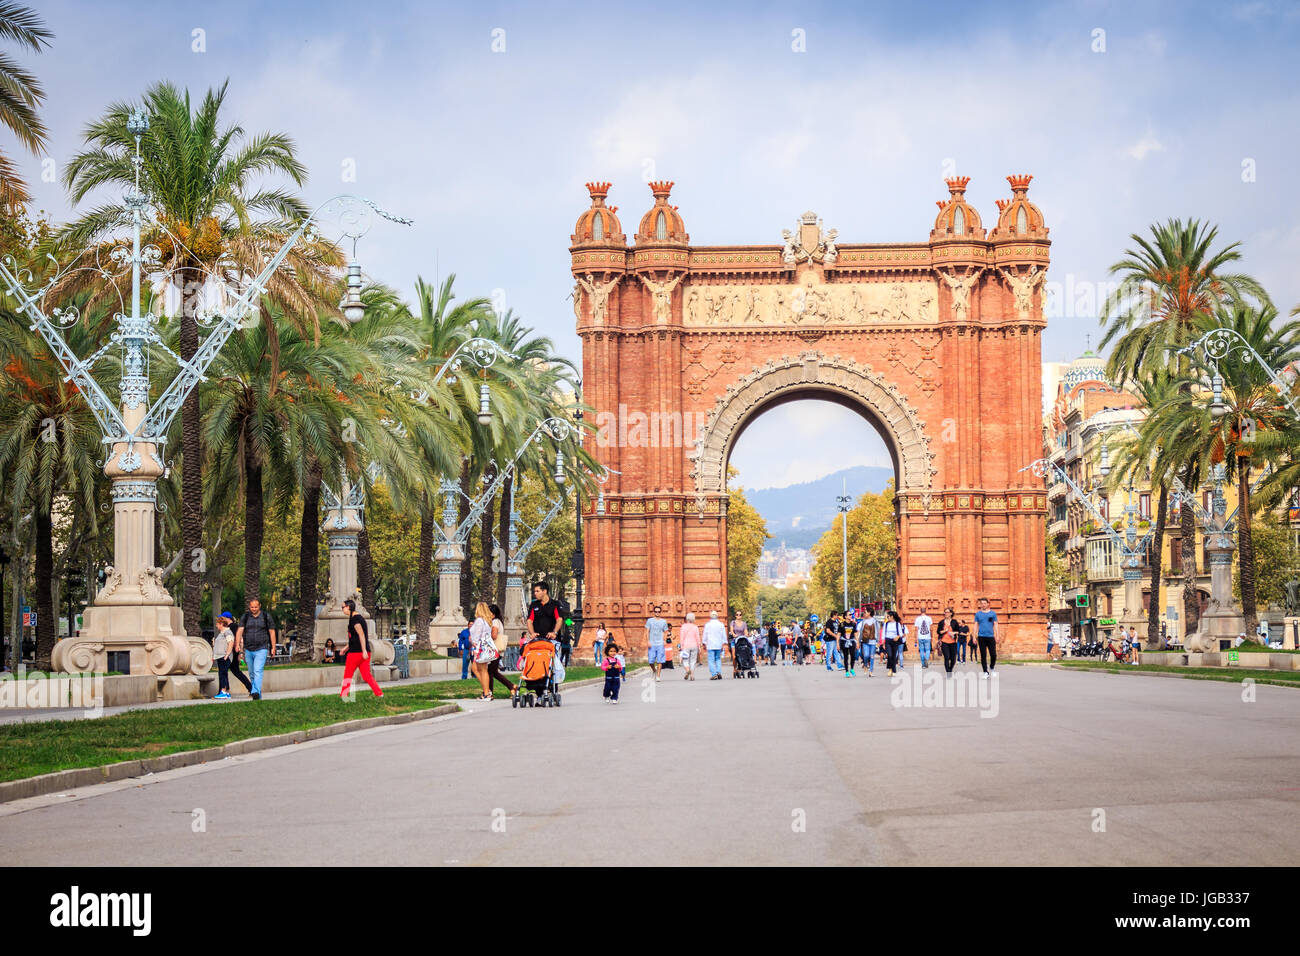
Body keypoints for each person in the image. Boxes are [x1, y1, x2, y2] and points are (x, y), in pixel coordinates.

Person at [338, 598, 385, 700]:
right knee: (366, 675)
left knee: (348, 674)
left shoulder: (355, 619)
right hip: (362, 651)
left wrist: (363, 650)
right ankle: (379, 693)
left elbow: (361, 635)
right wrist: (345, 648)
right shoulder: (357, 618)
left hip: (356, 653)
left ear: (349, 607)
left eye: (343, 607)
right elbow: (354, 638)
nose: (342, 609)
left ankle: (344, 695)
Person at [235, 597, 278, 701]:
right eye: (252, 607)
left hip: (261, 648)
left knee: (258, 670)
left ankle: (255, 691)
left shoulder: (266, 616)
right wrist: (237, 644)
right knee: (251, 672)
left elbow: (272, 632)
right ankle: (257, 694)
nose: (254, 609)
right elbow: (240, 630)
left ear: (259, 606)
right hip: (248, 649)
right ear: (249, 607)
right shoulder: (245, 617)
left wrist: (273, 647)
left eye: (256, 607)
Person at [212, 611, 251, 699]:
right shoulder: (226, 628)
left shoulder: (233, 627)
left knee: (226, 672)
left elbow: (239, 640)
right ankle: (224, 691)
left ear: (227, 618)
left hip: (231, 653)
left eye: (222, 618)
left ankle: (223, 691)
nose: (221, 620)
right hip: (228, 653)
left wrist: (240, 653)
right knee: (228, 672)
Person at [468, 602, 497, 700]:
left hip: (479, 647)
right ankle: (487, 690)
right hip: (484, 647)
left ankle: (486, 693)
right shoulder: (487, 621)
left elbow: (477, 634)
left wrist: (473, 642)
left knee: (482, 670)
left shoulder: (480, 621)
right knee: (476, 668)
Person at [487, 603, 516, 696]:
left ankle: (489, 692)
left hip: (494, 650)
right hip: (496, 650)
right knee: (493, 672)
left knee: (490, 672)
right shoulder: (498, 621)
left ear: (493, 614)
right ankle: (511, 686)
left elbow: (494, 635)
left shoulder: (495, 622)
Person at [974, 596, 998, 678]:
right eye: (982, 603)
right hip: (981, 637)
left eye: (985, 603)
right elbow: (976, 625)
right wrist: (974, 636)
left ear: (988, 604)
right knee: (983, 655)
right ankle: (985, 672)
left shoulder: (992, 613)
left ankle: (991, 667)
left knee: (993, 655)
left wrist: (997, 635)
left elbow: (995, 624)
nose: (983, 605)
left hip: (991, 637)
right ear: (980, 605)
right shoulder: (978, 614)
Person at [703, 610, 728, 680]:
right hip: (718, 644)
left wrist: (704, 642)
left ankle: (714, 674)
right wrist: (724, 643)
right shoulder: (721, 624)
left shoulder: (707, 625)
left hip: (710, 645)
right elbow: (723, 634)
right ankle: (718, 672)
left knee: (711, 660)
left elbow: (705, 634)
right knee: (718, 659)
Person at [645, 606, 669, 681]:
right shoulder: (649, 621)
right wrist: (648, 641)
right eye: (656, 611)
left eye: (659, 611)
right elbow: (647, 631)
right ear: (654, 612)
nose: (657, 613)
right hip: (652, 643)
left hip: (660, 643)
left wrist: (664, 640)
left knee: (660, 660)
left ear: (660, 612)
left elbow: (666, 632)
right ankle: (654, 671)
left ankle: (658, 676)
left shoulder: (663, 621)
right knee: (651, 661)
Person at [882, 610, 906, 675]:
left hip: (895, 641)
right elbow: (884, 633)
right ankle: (890, 668)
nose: (887, 618)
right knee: (889, 655)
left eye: (888, 617)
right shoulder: (886, 624)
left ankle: (893, 670)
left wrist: (897, 637)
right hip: (888, 641)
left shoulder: (897, 624)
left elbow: (901, 633)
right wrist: (883, 642)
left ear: (892, 617)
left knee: (894, 656)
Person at [679, 612, 701, 680]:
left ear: (687, 618)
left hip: (686, 645)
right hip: (694, 645)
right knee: (693, 661)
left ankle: (687, 670)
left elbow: (682, 637)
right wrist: (699, 646)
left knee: (685, 660)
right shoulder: (695, 627)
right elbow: (698, 637)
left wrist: (681, 646)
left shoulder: (683, 627)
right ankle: (692, 675)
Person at [939, 607, 959, 675]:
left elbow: (959, 631)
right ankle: (948, 673)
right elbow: (938, 632)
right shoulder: (941, 622)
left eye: (947, 612)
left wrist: (954, 633)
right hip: (944, 642)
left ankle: (950, 669)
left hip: (953, 642)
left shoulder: (954, 622)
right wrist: (945, 631)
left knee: (953, 659)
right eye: (945, 612)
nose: (946, 613)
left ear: (951, 613)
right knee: (946, 657)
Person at [839, 612, 858, 677]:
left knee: (853, 655)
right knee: (846, 656)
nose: (851, 616)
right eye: (849, 615)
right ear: (845, 616)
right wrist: (837, 644)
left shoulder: (853, 624)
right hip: (844, 641)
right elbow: (838, 634)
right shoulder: (841, 624)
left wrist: (857, 642)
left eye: (851, 615)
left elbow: (855, 633)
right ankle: (847, 671)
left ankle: (852, 669)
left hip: (852, 641)